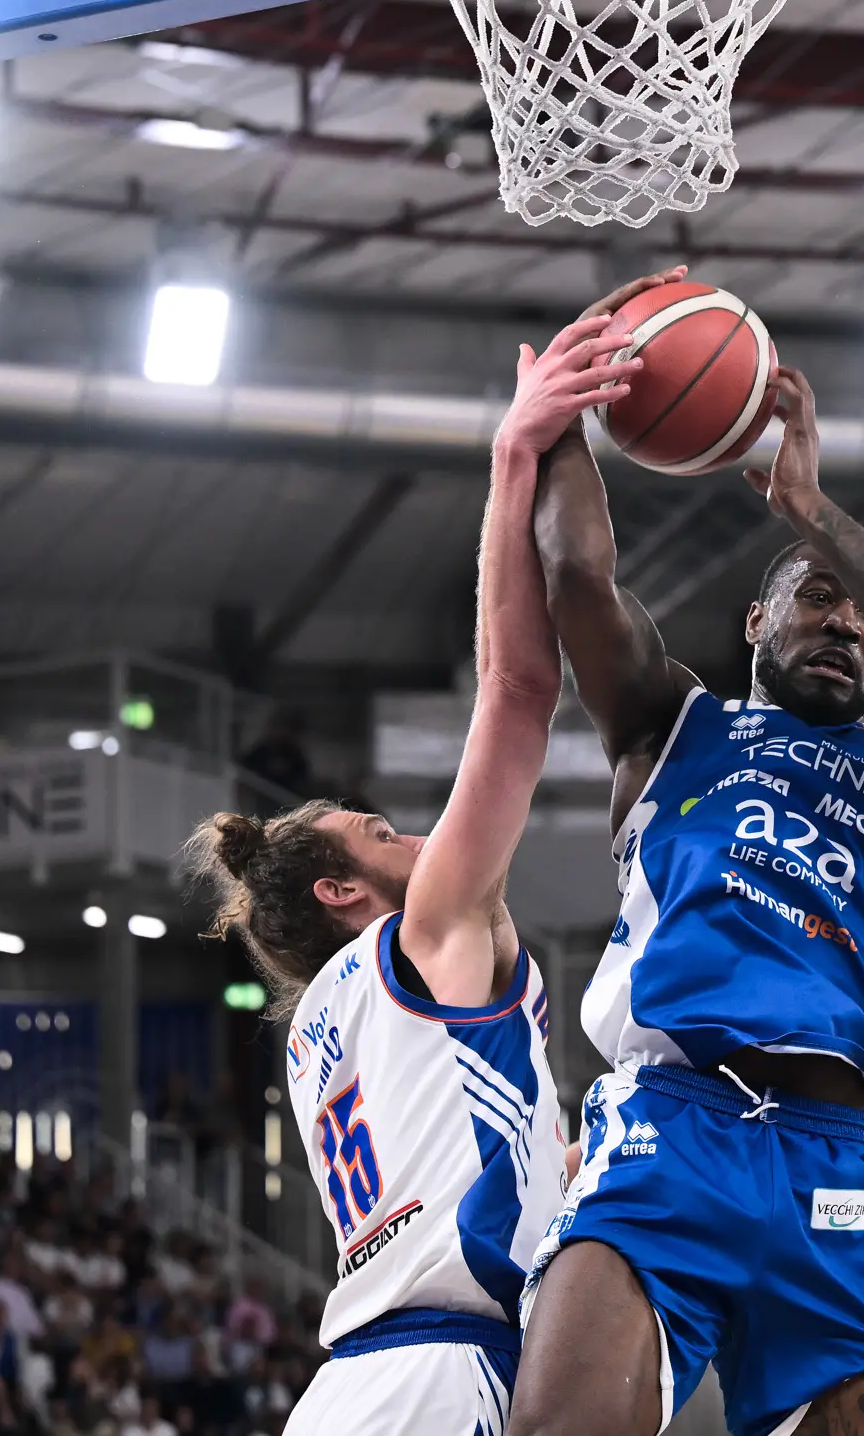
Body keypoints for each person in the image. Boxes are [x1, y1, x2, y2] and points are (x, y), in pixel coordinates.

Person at [509, 268, 864, 1436]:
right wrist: (566, 417)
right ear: (755, 625)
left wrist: (806, 510)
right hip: (670, 1131)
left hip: (832, 1158)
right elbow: (579, 577)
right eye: (819, 600)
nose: (848, 624)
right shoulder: (671, 726)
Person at [186, 306, 639, 1433]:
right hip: (445, 1378)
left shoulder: (318, 1029)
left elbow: (480, 1154)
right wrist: (515, 456)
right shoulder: (420, 930)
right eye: (379, 834)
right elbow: (519, 692)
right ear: (344, 893)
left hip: (349, 1391)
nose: (415, 840)